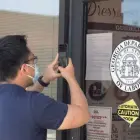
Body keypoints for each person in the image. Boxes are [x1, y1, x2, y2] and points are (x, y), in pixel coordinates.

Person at [0, 35, 90, 140]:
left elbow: (19, 102)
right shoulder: (35, 103)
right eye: (33, 61)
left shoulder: (21, 101)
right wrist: (70, 77)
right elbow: (83, 115)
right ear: (24, 69)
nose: (35, 65)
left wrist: (44, 80)